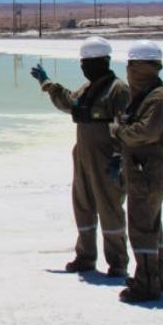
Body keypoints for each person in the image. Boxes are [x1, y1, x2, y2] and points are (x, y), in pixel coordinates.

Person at [30, 37, 131, 277]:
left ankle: (117, 262)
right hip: (84, 155)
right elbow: (70, 102)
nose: (86, 66)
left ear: (104, 61)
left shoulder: (118, 89)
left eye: (90, 62)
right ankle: (85, 256)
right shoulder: (88, 88)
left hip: (107, 158)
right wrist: (47, 84)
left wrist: (120, 157)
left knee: (110, 208)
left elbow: (126, 126)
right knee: (83, 205)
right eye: (84, 62)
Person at [110, 40, 163, 303]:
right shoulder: (147, 95)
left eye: (131, 66)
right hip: (142, 170)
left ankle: (147, 284)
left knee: (142, 228)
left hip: (148, 172)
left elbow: (146, 132)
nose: (128, 71)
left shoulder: (158, 98)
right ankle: (155, 277)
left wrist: (119, 132)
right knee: (150, 227)